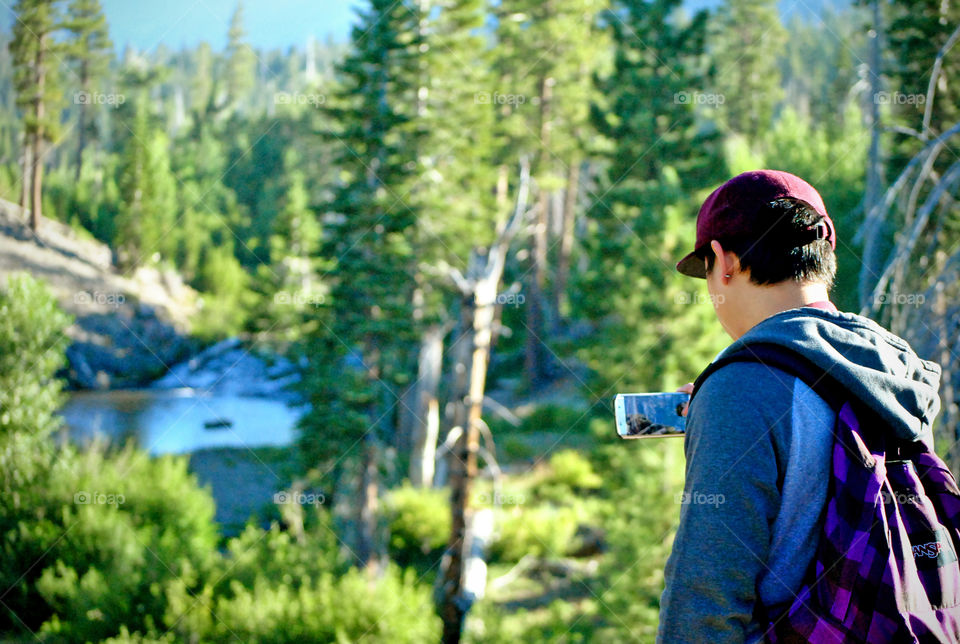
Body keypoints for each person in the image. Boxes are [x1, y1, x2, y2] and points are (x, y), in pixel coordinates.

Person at [656, 169, 942, 643]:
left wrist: (731, 410)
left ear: (723, 261)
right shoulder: (893, 368)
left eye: (706, 271)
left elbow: (706, 594)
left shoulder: (743, 386)